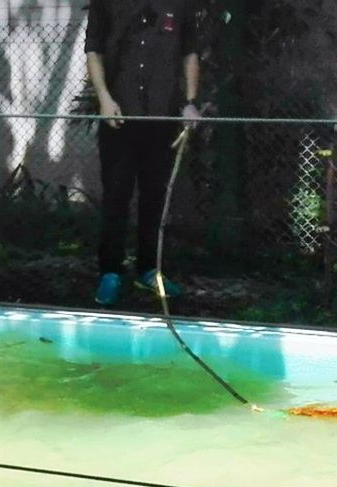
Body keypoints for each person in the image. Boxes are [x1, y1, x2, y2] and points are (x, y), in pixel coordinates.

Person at [84, 0, 202, 306]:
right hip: (119, 116)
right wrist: (104, 100)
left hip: (160, 119)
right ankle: (110, 271)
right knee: (116, 195)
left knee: (154, 196)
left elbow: (189, 53)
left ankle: (149, 270)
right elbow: (93, 50)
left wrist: (190, 102)